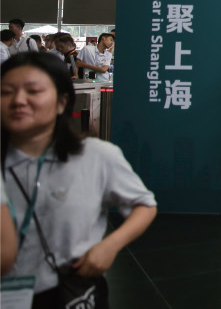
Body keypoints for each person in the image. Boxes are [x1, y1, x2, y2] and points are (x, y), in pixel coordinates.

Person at [2, 52, 157, 304]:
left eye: (33, 91)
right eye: (6, 92)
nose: (18, 100)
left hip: (72, 287)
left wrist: (109, 247)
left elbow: (144, 205)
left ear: (62, 102)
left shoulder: (96, 156)